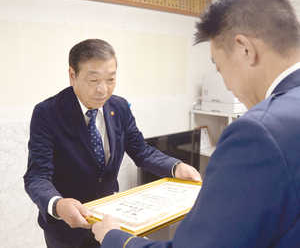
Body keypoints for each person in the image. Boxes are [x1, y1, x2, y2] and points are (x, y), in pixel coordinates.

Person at [91, 0, 300, 247]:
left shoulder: (258, 131)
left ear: (246, 49)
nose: (228, 86)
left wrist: (116, 239)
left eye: (220, 69)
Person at [23, 38, 201, 248]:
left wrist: (175, 167)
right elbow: (36, 176)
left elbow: (141, 151)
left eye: (111, 79)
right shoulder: (48, 113)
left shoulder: (120, 106)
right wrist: (58, 205)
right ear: (72, 75)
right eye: (93, 80)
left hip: (109, 220)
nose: (103, 89)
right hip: (66, 229)